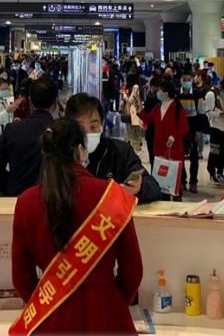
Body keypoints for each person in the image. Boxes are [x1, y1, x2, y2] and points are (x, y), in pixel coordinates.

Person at [11, 118, 142, 334]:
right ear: (80, 151)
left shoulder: (26, 203)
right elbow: (133, 270)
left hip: (51, 318)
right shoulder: (111, 196)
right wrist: (114, 302)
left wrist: (46, 302)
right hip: (109, 317)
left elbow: (21, 278)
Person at [66, 94, 161, 204]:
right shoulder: (61, 154)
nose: (87, 133)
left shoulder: (120, 151)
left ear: (102, 124)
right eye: (80, 128)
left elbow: (154, 188)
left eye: (93, 127)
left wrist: (140, 188)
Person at [0, 78, 56, 197]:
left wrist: (11, 181)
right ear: (54, 102)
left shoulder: (13, 130)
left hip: (17, 194)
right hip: (51, 197)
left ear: (30, 101)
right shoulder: (61, 131)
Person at [139, 79, 189, 200]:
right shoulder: (158, 107)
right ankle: (164, 199)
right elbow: (148, 118)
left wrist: (174, 136)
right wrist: (138, 111)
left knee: (174, 178)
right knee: (162, 178)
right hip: (159, 148)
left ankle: (177, 199)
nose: (158, 93)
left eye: (160, 91)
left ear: (166, 93)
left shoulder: (177, 108)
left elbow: (184, 128)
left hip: (174, 149)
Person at [176, 71, 202, 193]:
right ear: (181, 81)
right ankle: (182, 180)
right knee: (179, 156)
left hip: (193, 129)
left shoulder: (197, 94)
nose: (186, 82)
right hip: (179, 130)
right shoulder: (176, 95)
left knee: (194, 157)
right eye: (184, 79)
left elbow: (201, 114)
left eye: (188, 79)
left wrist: (199, 131)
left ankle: (193, 182)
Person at [204, 79, 224, 185]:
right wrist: (222, 113)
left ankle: (220, 172)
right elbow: (208, 111)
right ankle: (212, 174)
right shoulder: (211, 94)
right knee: (215, 151)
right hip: (215, 126)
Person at [122, 72, 145, 156]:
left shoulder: (135, 87)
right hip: (133, 113)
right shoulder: (135, 87)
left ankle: (135, 152)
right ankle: (134, 151)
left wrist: (125, 96)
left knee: (133, 133)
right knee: (131, 133)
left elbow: (131, 100)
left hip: (134, 113)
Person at [142, 77, 161, 169]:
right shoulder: (165, 98)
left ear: (152, 87)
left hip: (151, 130)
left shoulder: (150, 98)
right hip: (162, 130)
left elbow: (145, 114)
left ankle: (154, 173)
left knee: (152, 156)